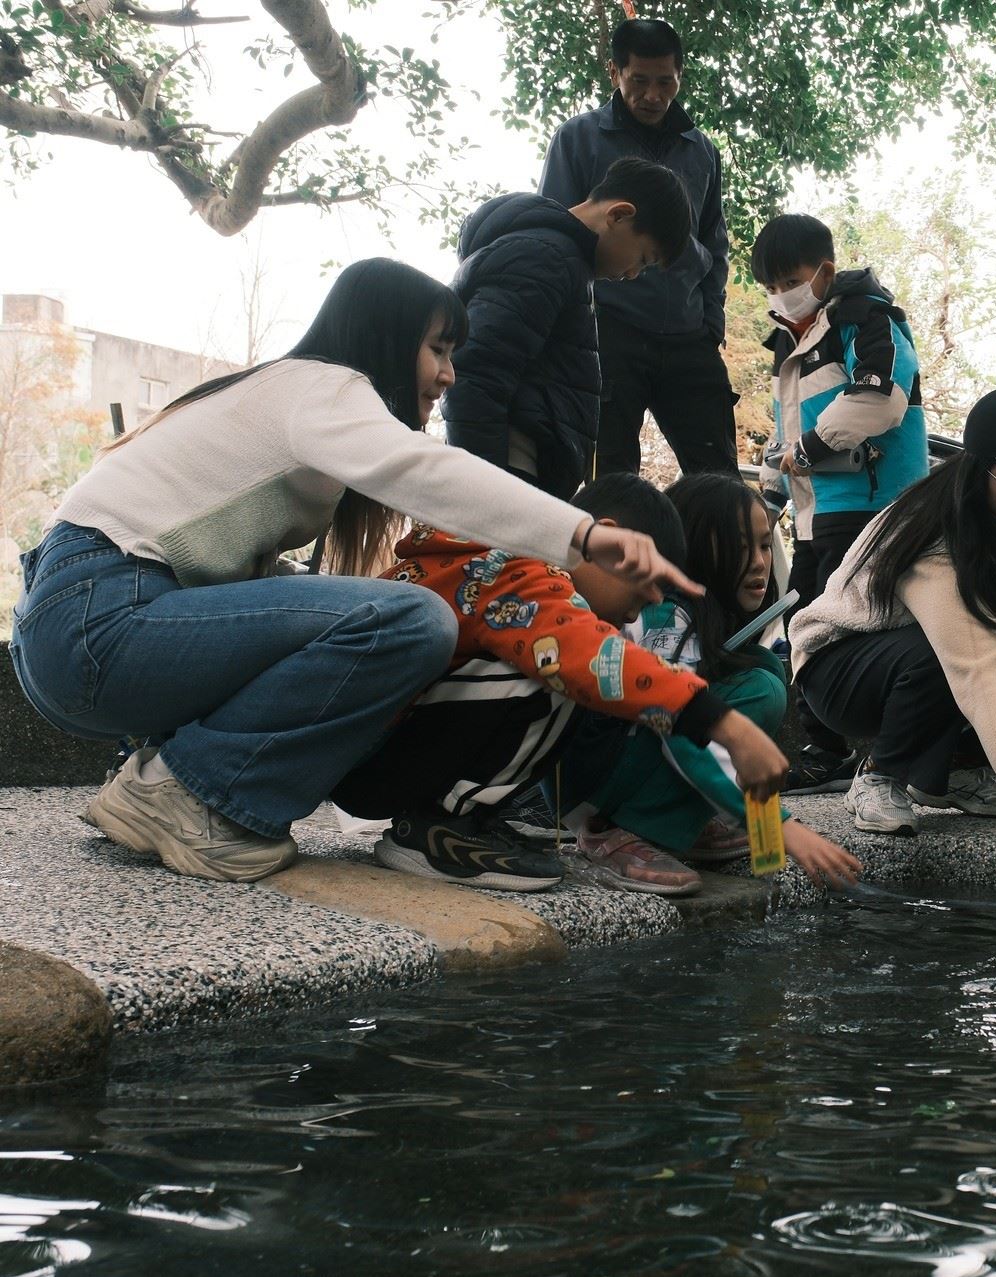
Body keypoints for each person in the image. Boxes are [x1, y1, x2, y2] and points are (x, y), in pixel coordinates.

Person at [8, 259, 697, 884]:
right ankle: (193, 791)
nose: (450, 375)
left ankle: (178, 779)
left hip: (80, 623)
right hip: (99, 618)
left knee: (359, 607)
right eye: (439, 349)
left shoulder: (282, 402)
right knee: (413, 618)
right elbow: (429, 473)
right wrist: (580, 533)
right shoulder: (323, 386)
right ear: (385, 337)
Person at [328, 474, 788, 893]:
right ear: (606, 542)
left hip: (373, 758)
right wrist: (731, 737)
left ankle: (468, 817)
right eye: (642, 588)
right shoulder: (521, 571)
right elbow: (592, 657)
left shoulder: (512, 562)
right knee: (560, 664)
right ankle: (437, 829)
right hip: (372, 762)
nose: (638, 610)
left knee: (565, 658)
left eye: (768, 546)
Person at [788, 385, 996, 867]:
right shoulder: (933, 535)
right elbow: (975, 669)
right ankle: (880, 775)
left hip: (953, 648)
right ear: (981, 470)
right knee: (941, 647)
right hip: (842, 668)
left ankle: (962, 771)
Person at [548, 474, 863, 890]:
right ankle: (612, 832)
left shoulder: (692, 619)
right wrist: (774, 823)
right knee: (761, 689)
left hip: (608, 771)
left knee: (764, 667)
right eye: (740, 546)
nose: (759, 562)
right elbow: (677, 725)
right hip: (590, 785)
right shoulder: (664, 614)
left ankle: (682, 822)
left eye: (765, 545)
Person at [752, 212, 930, 796]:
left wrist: (807, 449)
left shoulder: (867, 319)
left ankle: (881, 755)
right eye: (771, 285)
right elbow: (785, 430)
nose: (781, 294)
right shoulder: (790, 341)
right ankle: (824, 748)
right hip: (816, 512)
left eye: (790, 280)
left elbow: (880, 399)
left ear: (825, 271)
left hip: (874, 507)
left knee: (861, 626)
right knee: (805, 622)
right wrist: (768, 496)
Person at [540, 17, 735, 478]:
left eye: (666, 82)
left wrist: (711, 324)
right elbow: (555, 232)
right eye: (639, 80)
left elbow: (715, 242)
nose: (653, 95)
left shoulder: (702, 151)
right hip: (608, 331)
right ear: (615, 72)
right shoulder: (578, 138)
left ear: (680, 76)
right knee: (611, 475)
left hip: (689, 334)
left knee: (719, 477)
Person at [442, 157, 693, 499]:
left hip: (521, 470)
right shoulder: (545, 258)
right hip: (510, 470)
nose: (633, 274)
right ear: (618, 215)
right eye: (644, 259)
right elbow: (477, 371)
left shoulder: (562, 261)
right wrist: (484, 493)